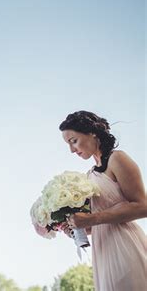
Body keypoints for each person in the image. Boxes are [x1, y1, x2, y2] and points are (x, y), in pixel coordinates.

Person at [60, 110, 147, 291]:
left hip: (125, 246)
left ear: (92, 132)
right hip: (102, 253)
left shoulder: (118, 159)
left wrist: (92, 219)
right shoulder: (89, 176)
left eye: (73, 141)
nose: (71, 150)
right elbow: (99, 223)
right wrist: (78, 227)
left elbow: (143, 206)